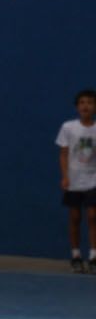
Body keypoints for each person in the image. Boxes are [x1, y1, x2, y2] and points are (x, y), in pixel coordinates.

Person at [59, 89, 96, 273]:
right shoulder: (68, 127)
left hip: (93, 179)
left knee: (93, 216)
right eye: (82, 102)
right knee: (75, 217)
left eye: (89, 102)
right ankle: (75, 255)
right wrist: (65, 176)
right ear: (77, 107)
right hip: (74, 180)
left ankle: (94, 256)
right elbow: (63, 154)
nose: (85, 106)